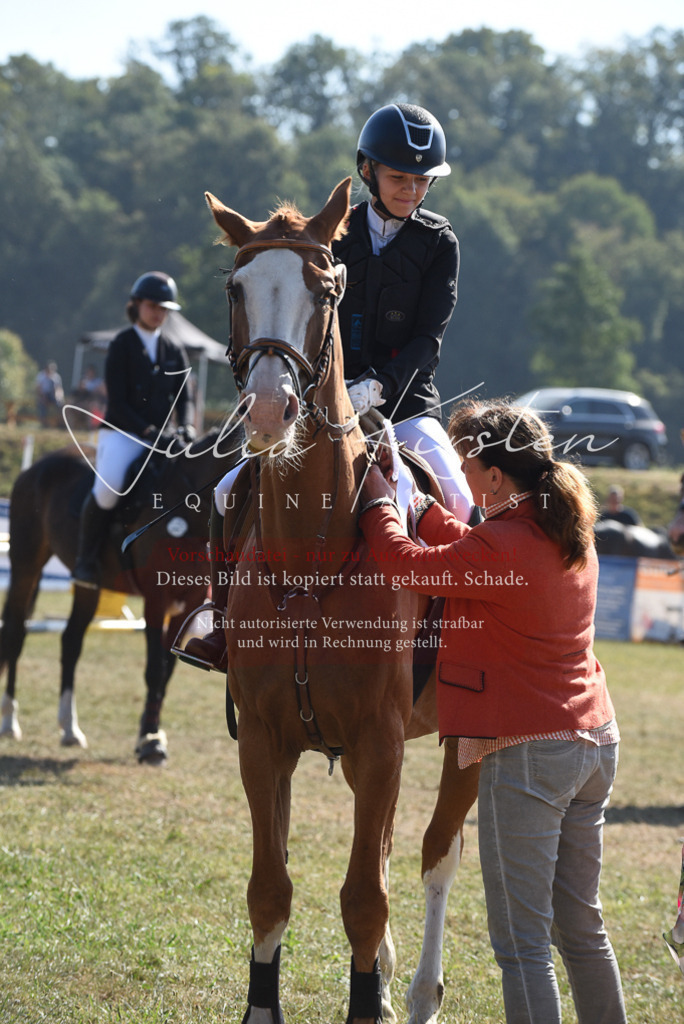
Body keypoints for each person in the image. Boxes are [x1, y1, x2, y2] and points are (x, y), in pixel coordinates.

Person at [358, 398, 627, 1024]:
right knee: (582, 930)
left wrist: (379, 507)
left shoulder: (502, 545)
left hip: (529, 752)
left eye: (467, 466)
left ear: (496, 477)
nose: (461, 474)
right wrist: (424, 513)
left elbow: (406, 565)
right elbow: (479, 553)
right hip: (594, 740)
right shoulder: (565, 530)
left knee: (522, 944)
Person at [179, 102, 473, 671]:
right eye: (399, 177)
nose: (411, 190)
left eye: (421, 180)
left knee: (460, 498)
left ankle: (466, 643)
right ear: (368, 171)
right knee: (226, 492)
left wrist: (375, 389)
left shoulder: (440, 243)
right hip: (322, 404)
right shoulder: (331, 235)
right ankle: (220, 619)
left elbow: (427, 340)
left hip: (407, 404)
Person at [72, 271, 196, 588]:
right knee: (110, 487)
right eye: (153, 306)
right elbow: (118, 402)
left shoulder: (174, 349)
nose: (158, 313)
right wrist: (148, 432)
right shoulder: (122, 345)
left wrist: (186, 426)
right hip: (123, 434)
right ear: (137, 304)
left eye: (164, 308)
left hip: (163, 439)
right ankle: (85, 560)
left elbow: (185, 397)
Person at [35, 360, 64, 427]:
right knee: (42, 405)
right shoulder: (41, 375)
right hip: (43, 395)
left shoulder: (56, 377)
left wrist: (59, 397)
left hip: (53, 395)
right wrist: (42, 396)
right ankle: (43, 423)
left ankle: (61, 423)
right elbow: (38, 388)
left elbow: (59, 389)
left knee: (60, 404)